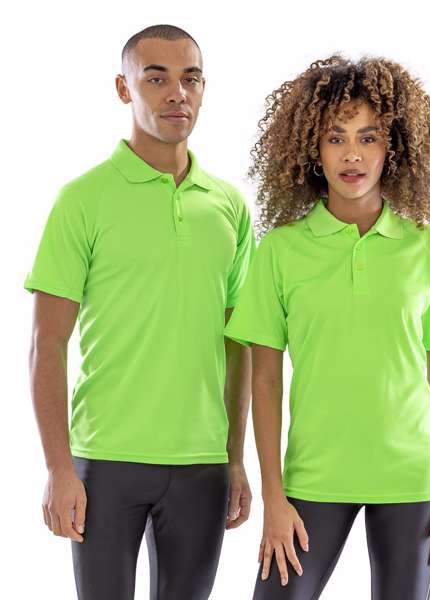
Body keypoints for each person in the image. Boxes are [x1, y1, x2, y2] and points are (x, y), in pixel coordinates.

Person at [224, 54, 430, 600]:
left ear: (393, 148)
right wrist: (273, 497)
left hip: (412, 478)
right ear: (312, 149)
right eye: (336, 138)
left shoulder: (428, 248)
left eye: (369, 137)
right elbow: (265, 379)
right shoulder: (281, 251)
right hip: (314, 476)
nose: (352, 154)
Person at [25, 24, 255, 600]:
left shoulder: (229, 206)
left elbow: (240, 344)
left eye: (190, 79)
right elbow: (47, 343)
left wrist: (235, 460)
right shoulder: (83, 200)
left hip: (202, 464)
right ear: (124, 88)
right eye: (156, 79)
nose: (177, 93)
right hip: (105, 460)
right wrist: (58, 468)